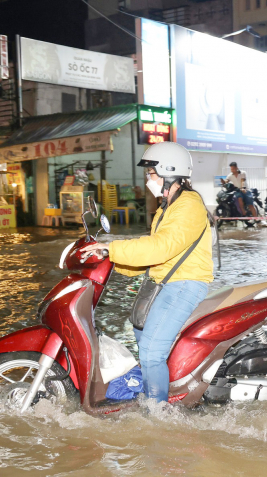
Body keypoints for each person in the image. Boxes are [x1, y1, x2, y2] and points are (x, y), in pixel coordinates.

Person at [82, 142, 213, 403]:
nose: (148, 178)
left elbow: (161, 247)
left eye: (151, 173)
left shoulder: (188, 205)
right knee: (144, 340)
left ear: (168, 172)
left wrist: (113, 248)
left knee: (151, 353)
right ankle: (158, 390)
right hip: (165, 283)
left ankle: (157, 413)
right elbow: (155, 251)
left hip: (184, 284)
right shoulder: (168, 207)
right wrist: (113, 261)